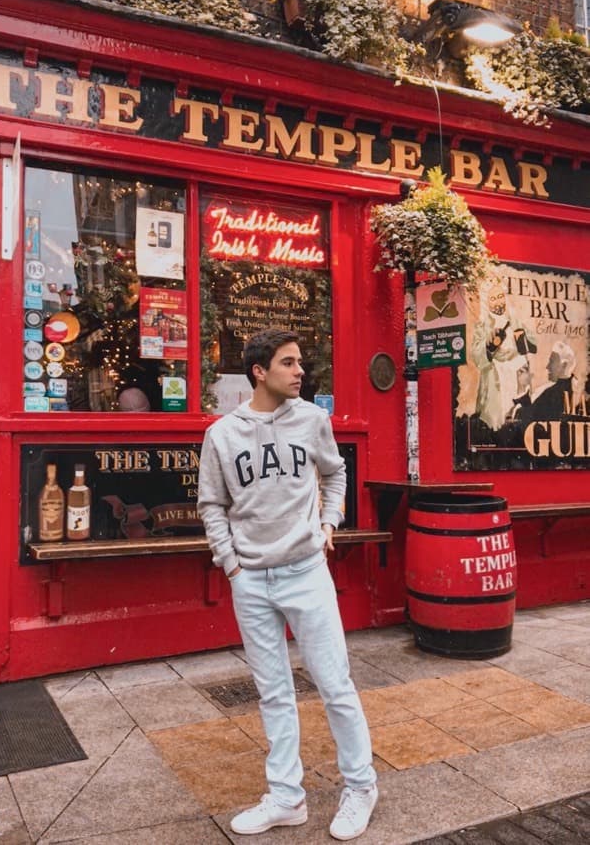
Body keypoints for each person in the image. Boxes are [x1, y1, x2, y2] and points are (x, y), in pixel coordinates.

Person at [197, 328, 377, 841]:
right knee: (272, 692)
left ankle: (361, 786)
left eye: (300, 362)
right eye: (289, 363)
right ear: (259, 371)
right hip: (250, 579)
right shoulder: (222, 434)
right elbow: (212, 503)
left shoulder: (312, 420)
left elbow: (336, 474)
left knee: (334, 684)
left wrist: (328, 525)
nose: (300, 371)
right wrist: (229, 562)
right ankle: (286, 797)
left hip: (305, 571)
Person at [471, 279, 536, 431]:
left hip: (518, 374)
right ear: (487, 301)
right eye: (493, 298)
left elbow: (532, 344)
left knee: (519, 417)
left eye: (500, 296)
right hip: (497, 375)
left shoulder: (514, 320)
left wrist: (523, 338)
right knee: (497, 421)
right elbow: (476, 355)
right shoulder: (482, 325)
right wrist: (490, 344)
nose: (498, 301)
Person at [512, 340, 577, 423]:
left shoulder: (553, 394)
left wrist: (521, 388)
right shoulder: (571, 388)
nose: (547, 367)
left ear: (564, 365)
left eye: (552, 361)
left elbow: (527, 417)